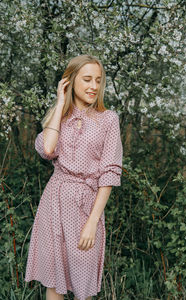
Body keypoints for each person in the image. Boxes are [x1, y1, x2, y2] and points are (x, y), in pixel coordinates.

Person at [24, 54, 123, 300]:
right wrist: (60, 103)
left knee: (83, 285)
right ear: (70, 81)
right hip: (54, 203)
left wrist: (92, 221)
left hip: (86, 207)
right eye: (87, 79)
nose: (94, 86)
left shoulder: (108, 119)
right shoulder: (59, 119)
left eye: (98, 81)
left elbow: (109, 174)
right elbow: (47, 150)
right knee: (54, 285)